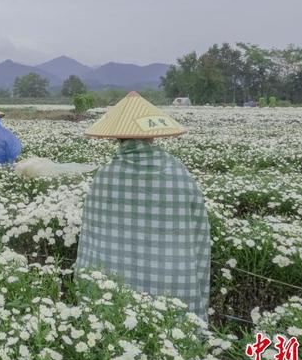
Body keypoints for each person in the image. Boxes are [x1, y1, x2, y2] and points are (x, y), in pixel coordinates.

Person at [76, 91, 210, 321]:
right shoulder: (176, 172)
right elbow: (198, 226)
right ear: (152, 137)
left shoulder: (107, 174)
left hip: (112, 287)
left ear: (118, 138)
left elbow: (92, 237)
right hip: (170, 282)